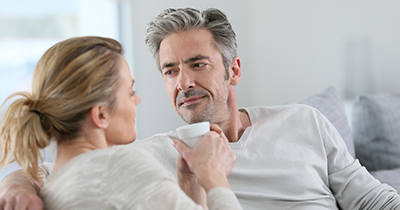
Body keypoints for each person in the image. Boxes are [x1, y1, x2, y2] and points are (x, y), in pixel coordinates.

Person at [1, 7, 400, 210]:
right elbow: (67, 170)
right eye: (169, 70)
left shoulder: (305, 121)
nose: (183, 83)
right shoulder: (157, 153)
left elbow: (374, 200)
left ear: (234, 70)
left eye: (197, 64)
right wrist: (14, 184)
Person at [0, 36, 242, 210]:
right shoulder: (120, 168)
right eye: (130, 92)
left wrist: (188, 178)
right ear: (101, 115)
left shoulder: (55, 184)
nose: (137, 100)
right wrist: (215, 177)